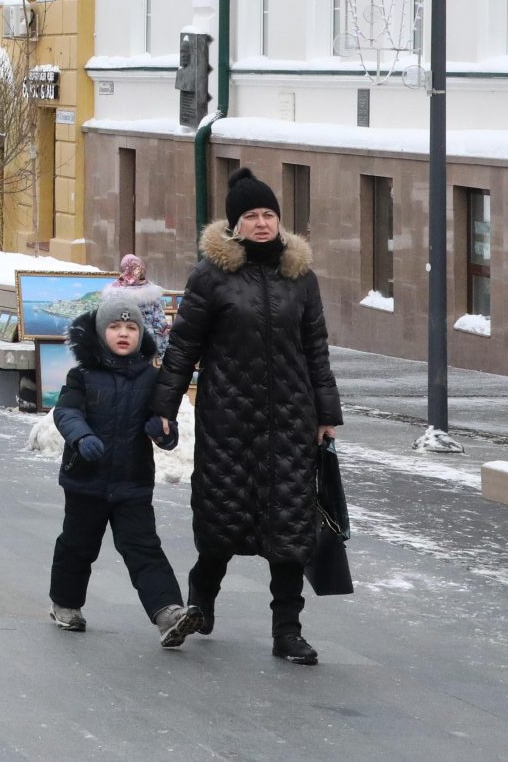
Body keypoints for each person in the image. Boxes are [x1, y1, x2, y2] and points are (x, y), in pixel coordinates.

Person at [148, 167, 344, 666]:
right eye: (252, 216)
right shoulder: (210, 276)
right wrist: (163, 408)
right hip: (228, 421)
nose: (262, 224)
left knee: (289, 528)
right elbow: (183, 348)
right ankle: (202, 599)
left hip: (291, 421)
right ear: (234, 224)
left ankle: (287, 631)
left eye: (269, 215)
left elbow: (316, 348)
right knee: (222, 521)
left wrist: (327, 413)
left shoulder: (301, 277)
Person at [49, 300, 192, 643]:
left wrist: (162, 431)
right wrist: (81, 437)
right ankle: (65, 604)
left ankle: (168, 613)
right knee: (78, 546)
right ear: (101, 332)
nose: (124, 334)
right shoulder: (82, 374)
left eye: (131, 328)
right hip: (86, 479)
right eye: (115, 328)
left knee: (143, 547)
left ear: (140, 334)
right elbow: (66, 412)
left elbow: (164, 425)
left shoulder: (152, 377)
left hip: (133, 482)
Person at [101, 253, 170, 351]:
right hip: (146, 343)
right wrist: (162, 350)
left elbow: (104, 322)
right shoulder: (151, 292)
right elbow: (160, 323)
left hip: (119, 341)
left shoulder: (112, 292)